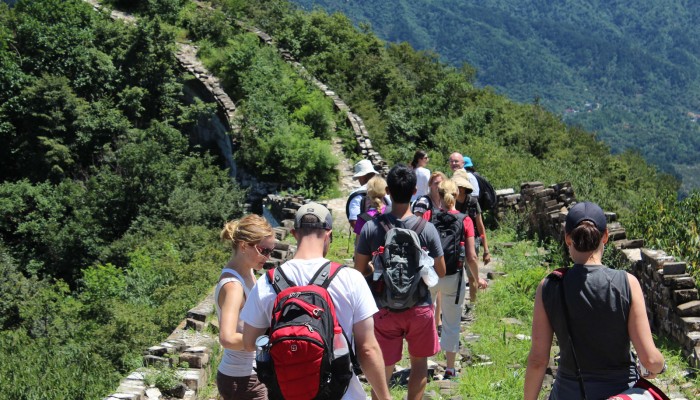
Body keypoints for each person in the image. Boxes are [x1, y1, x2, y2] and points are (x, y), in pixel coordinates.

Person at [241, 203, 392, 400]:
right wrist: (384, 397)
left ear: (295, 233)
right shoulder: (351, 278)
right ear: (328, 233)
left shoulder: (267, 282)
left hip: (287, 393)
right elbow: (367, 349)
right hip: (340, 393)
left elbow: (249, 342)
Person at [524, 202, 666, 400]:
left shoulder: (549, 285)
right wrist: (661, 366)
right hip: (619, 393)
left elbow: (538, 360)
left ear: (568, 239)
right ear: (605, 237)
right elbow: (650, 360)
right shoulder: (626, 283)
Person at [354, 164, 446, 400]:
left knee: (382, 366)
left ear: (388, 191)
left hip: (384, 308)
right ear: (415, 191)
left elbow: (358, 271)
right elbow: (442, 271)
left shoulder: (371, 228)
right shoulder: (427, 229)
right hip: (419, 307)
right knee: (419, 364)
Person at [216, 214, 276, 400]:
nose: (267, 256)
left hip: (247, 374)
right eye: (263, 250)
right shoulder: (233, 286)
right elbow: (227, 338)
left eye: (270, 251)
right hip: (242, 378)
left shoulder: (248, 271)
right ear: (243, 246)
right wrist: (268, 341)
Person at [431, 178, 481, 380]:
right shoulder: (465, 220)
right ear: (457, 195)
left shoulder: (427, 216)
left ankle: (424, 362)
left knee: (426, 320)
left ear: (439, 195)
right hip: (454, 275)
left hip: (430, 275)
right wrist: (477, 279)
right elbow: (472, 256)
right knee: (452, 323)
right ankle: (450, 369)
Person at [452, 167, 492, 266]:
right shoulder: (449, 201)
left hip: (471, 240)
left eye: (461, 186)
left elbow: (480, 225)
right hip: (454, 242)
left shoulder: (473, 202)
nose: (459, 189)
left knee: (472, 275)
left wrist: (486, 250)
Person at [347, 159, 379, 230]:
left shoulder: (357, 195)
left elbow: (354, 223)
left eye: (358, 178)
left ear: (361, 177)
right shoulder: (385, 192)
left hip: (366, 239)